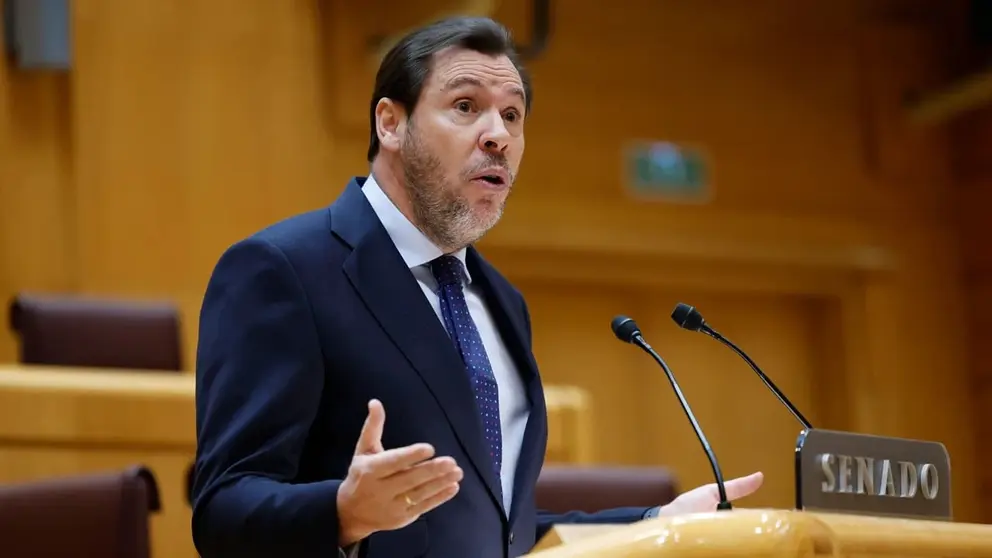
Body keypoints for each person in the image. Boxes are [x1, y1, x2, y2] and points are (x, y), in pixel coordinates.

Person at [189, 15, 763, 558]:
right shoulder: (283, 269)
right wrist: (343, 511)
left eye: (512, 116)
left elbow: (495, 533)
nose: (498, 137)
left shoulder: (501, 301)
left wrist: (654, 525)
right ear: (390, 123)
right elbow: (222, 510)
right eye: (466, 107)